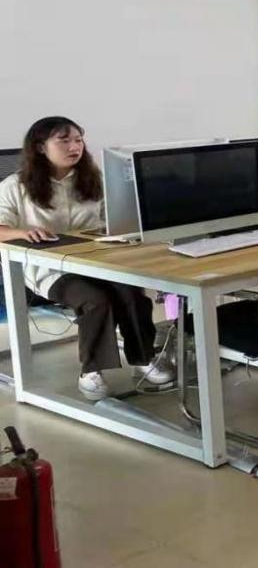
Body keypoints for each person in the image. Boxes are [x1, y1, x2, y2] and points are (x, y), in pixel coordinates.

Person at [0, 117, 174, 400]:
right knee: (95, 300)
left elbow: (116, 219)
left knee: (130, 292)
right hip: (49, 269)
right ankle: (91, 371)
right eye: (64, 141)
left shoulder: (94, 180)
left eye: (78, 140)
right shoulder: (15, 186)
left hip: (98, 261)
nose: (74, 147)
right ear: (41, 147)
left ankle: (142, 358)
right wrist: (22, 231)